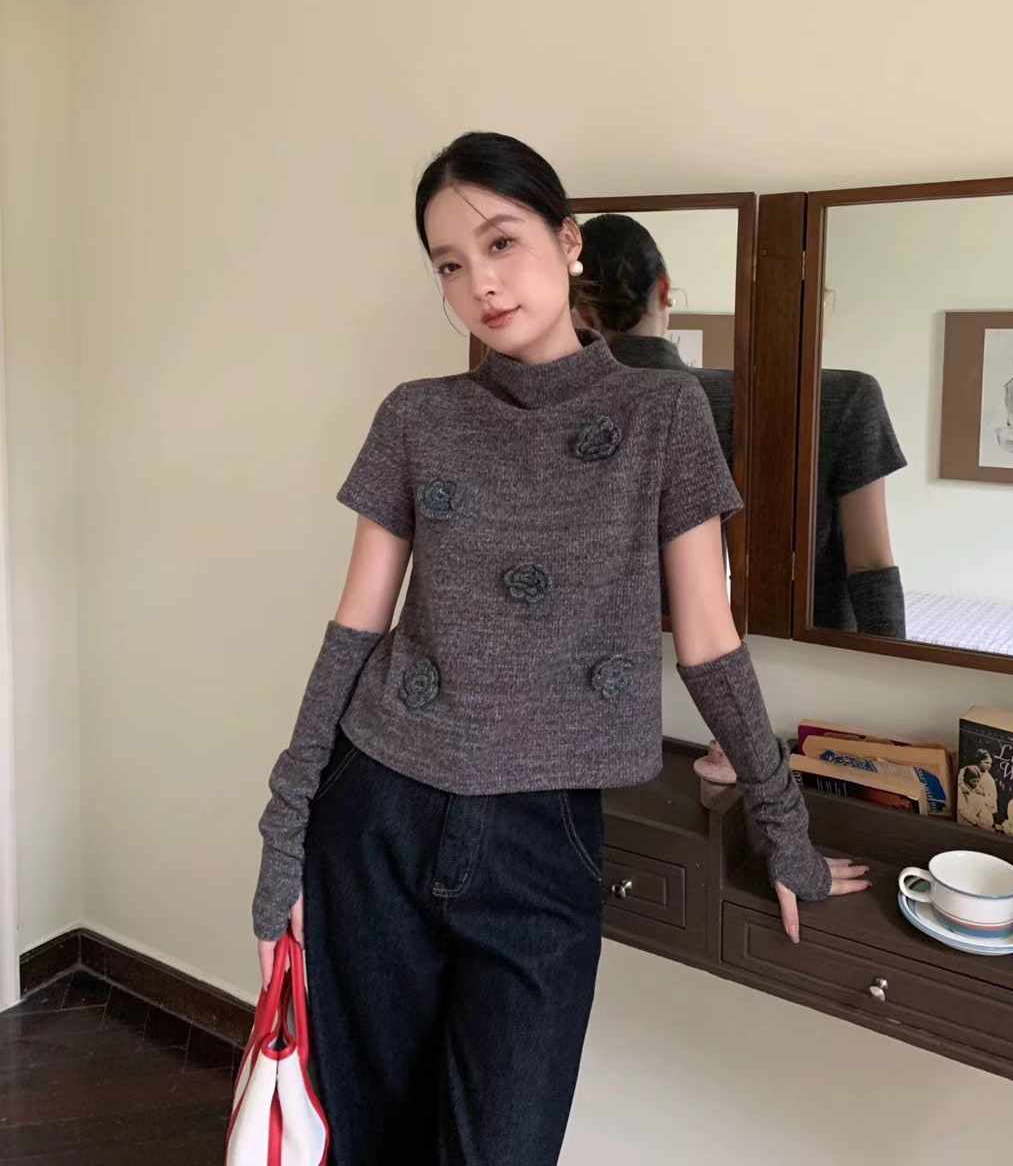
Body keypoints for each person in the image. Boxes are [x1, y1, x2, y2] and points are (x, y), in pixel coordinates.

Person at [250, 132, 871, 1166]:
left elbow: (708, 638)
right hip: (379, 812)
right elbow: (356, 626)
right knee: (371, 1138)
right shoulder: (417, 416)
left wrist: (783, 827)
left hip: (542, 837)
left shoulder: (663, 413)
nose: (481, 285)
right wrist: (286, 829)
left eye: (501, 243)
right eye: (450, 265)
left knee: (503, 1146)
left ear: (569, 240)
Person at [571, 212, 908, 638]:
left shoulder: (560, 413)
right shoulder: (844, 400)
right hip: (800, 656)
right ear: (665, 290)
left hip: (611, 649)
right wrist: (889, 665)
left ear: (583, 313)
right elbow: (871, 565)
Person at [957, 765, 994, 830]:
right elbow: (963, 810)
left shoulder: (977, 790)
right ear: (967, 780)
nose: (976, 784)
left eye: (977, 781)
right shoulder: (960, 791)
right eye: (974, 781)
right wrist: (978, 822)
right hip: (966, 823)